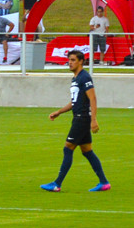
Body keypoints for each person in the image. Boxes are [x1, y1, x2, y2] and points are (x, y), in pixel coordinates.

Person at [42, 50, 110, 192]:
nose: (70, 63)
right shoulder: (76, 78)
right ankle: (104, 182)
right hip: (79, 117)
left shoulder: (84, 77)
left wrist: (93, 120)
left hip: (82, 119)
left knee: (68, 148)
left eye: (73, 60)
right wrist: (59, 112)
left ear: (81, 61)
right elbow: (75, 102)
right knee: (87, 151)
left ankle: (57, 184)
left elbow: (92, 98)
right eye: (69, 60)